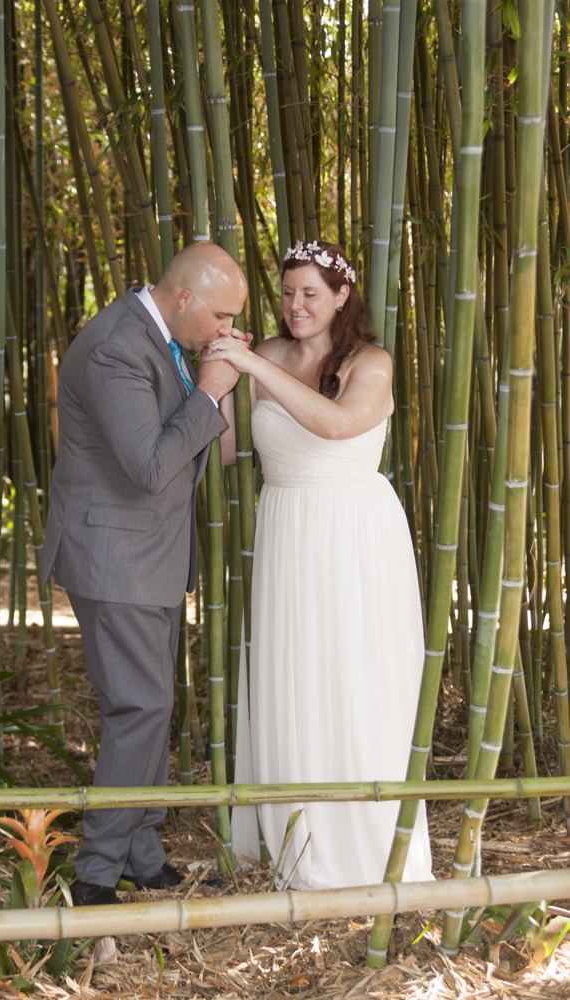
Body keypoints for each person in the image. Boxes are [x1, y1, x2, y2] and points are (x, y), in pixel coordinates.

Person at [205, 240, 433, 890]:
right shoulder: (268, 356)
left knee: (352, 679)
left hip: (354, 537)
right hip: (285, 532)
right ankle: (295, 841)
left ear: (340, 297)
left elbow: (337, 425)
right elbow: (223, 451)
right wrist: (220, 377)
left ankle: (363, 849)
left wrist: (251, 364)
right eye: (286, 292)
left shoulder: (371, 361)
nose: (295, 305)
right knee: (291, 673)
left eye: (309, 293)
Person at [40, 242, 248, 906]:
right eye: (221, 316)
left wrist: (218, 384)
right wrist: (212, 391)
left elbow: (207, 454)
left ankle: (139, 852)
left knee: (149, 707)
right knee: (142, 705)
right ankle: (96, 871)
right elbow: (150, 466)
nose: (226, 329)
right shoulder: (116, 348)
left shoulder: (165, 345)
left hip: (148, 556)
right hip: (116, 559)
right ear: (184, 298)